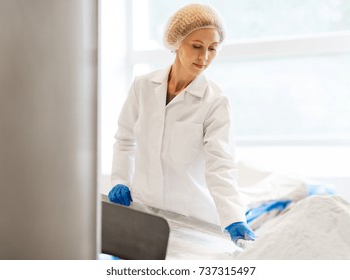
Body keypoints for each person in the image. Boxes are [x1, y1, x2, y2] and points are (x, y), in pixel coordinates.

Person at [108, 3, 255, 244]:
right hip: (144, 212)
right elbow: (125, 139)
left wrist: (233, 218)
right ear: (176, 43)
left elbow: (221, 164)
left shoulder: (215, 101)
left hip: (192, 218)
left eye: (212, 48)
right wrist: (120, 180)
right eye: (196, 46)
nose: (204, 57)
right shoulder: (143, 86)